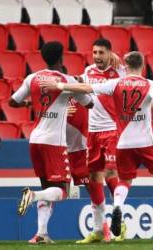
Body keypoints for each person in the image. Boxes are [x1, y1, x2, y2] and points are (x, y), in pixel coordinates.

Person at [40, 51, 153, 242]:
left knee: (124, 180)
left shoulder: (115, 83)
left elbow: (86, 88)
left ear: (125, 64)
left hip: (123, 143)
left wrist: (59, 85)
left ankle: (117, 206)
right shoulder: (150, 84)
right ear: (143, 65)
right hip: (146, 141)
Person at [8, 41, 93, 244]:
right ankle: (32, 196)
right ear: (61, 58)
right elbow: (89, 103)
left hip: (35, 139)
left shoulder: (33, 78)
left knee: (48, 187)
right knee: (62, 190)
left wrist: (31, 102)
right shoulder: (66, 80)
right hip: (54, 142)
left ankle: (41, 234)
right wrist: (73, 88)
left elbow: (12, 101)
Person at [78, 38, 126, 243]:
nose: (97, 56)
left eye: (101, 53)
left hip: (112, 130)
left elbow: (133, 70)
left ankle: (120, 221)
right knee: (94, 178)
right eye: (95, 52)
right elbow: (80, 89)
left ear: (110, 54)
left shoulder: (120, 72)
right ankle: (98, 229)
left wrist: (119, 58)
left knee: (111, 173)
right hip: (93, 132)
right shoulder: (87, 72)